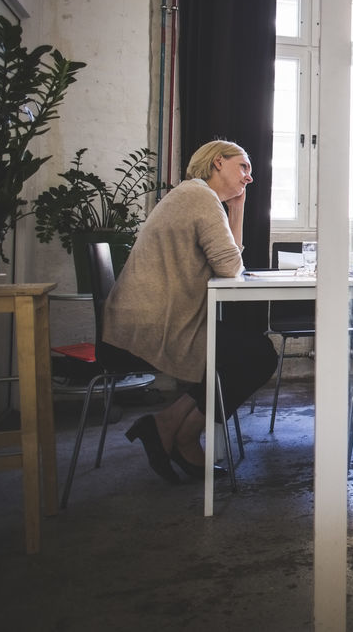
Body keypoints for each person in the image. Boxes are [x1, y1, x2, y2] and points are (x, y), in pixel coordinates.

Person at [104, 140, 277, 483]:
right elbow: (231, 267)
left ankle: (168, 426)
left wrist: (238, 210)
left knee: (247, 352)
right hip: (154, 324)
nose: (249, 177)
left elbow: (229, 259)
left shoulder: (195, 195)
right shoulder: (200, 197)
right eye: (243, 166)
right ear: (217, 163)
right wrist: (234, 213)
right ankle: (180, 433)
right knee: (257, 355)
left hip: (150, 318)